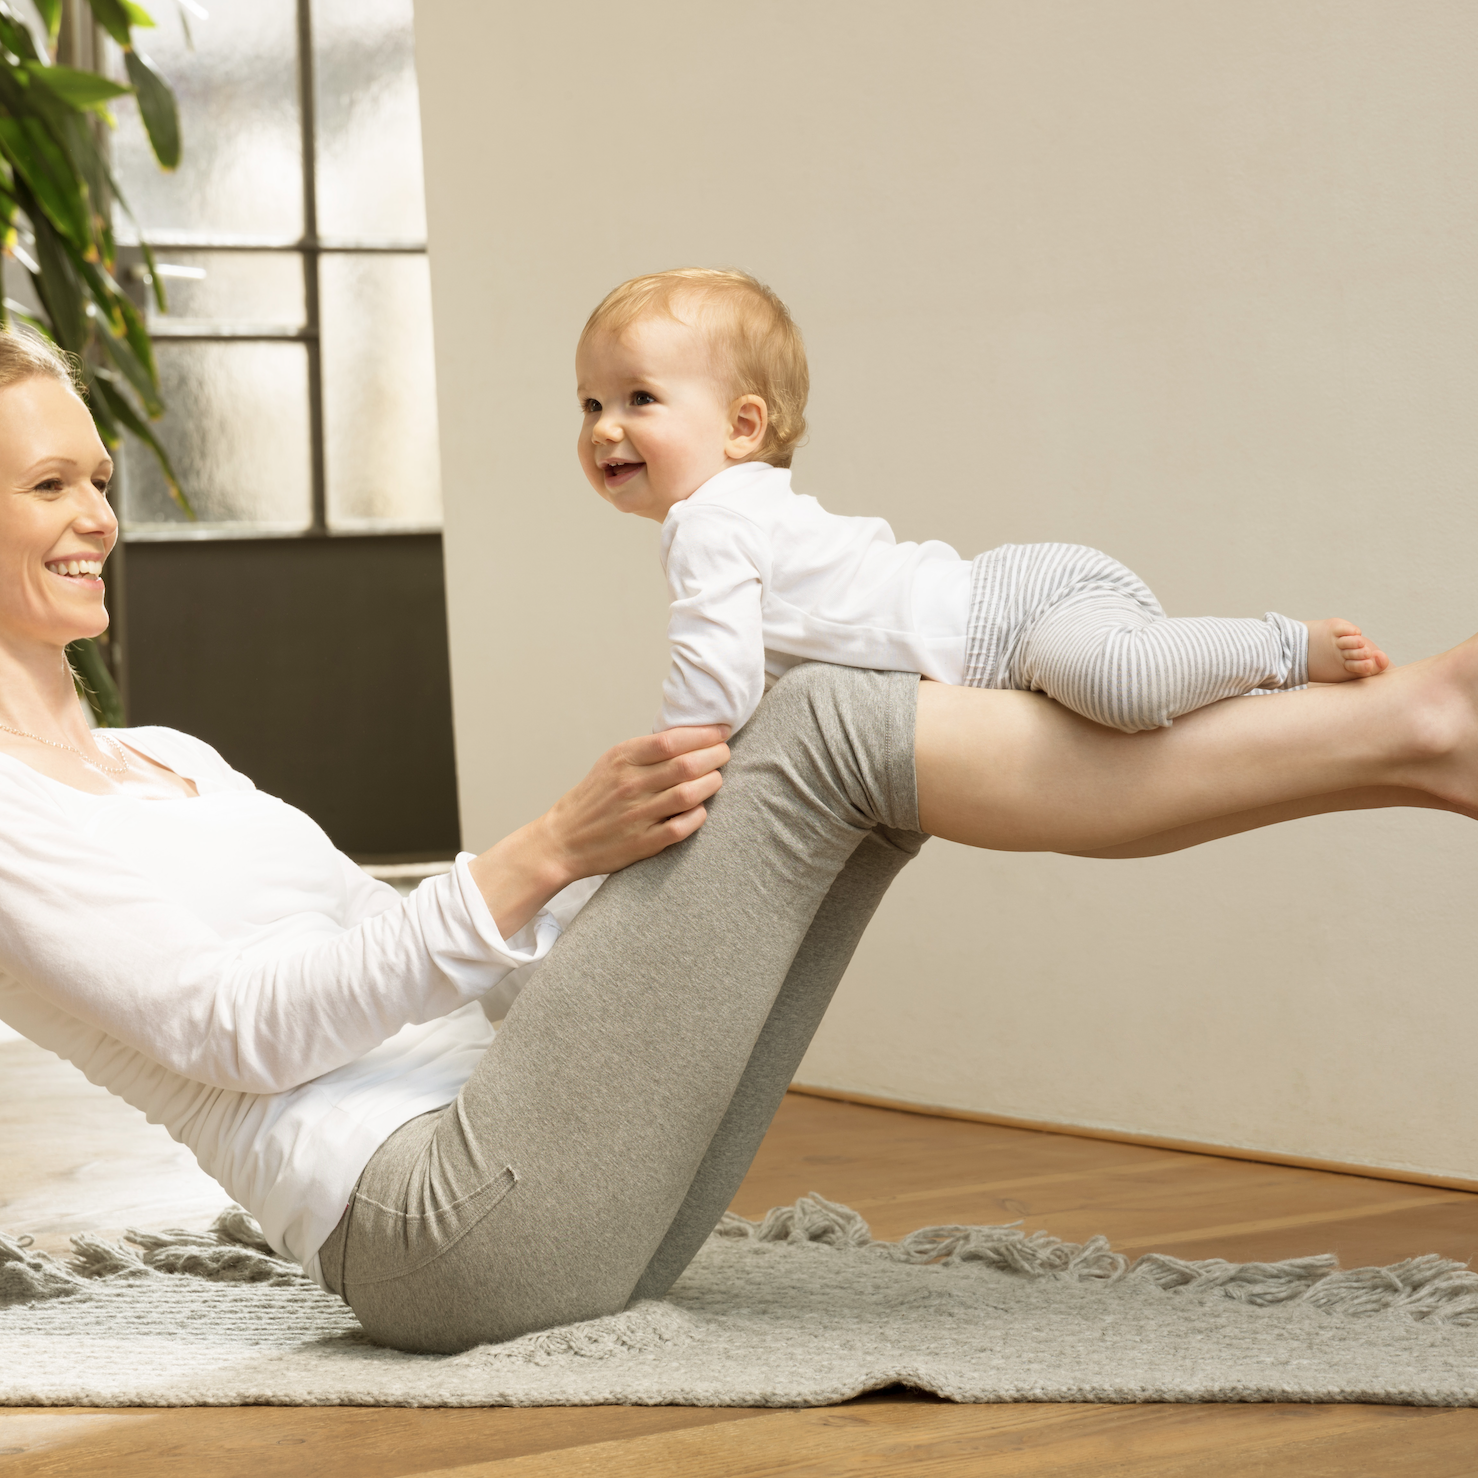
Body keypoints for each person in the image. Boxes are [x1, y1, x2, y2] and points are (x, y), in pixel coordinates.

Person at [0, 329, 1473, 1357]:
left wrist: (620, 886)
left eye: (98, 479)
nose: (98, 519)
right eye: (48, 486)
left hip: (551, 1164)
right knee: (830, 717)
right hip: (440, 1232)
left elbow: (442, 969)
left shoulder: (169, 757)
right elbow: (237, 1031)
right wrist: (546, 850)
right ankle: (1413, 731)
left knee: (840, 730)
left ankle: (1410, 751)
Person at [576, 268, 1390, 737]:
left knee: (1123, 688)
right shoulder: (745, 509)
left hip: (1014, 617)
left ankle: (1284, 646)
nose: (605, 428)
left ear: (743, 426)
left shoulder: (709, 522)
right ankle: (1257, 687)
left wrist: (664, 764)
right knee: (1132, 720)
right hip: (1018, 610)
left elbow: (714, 690)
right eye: (590, 404)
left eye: (639, 398)